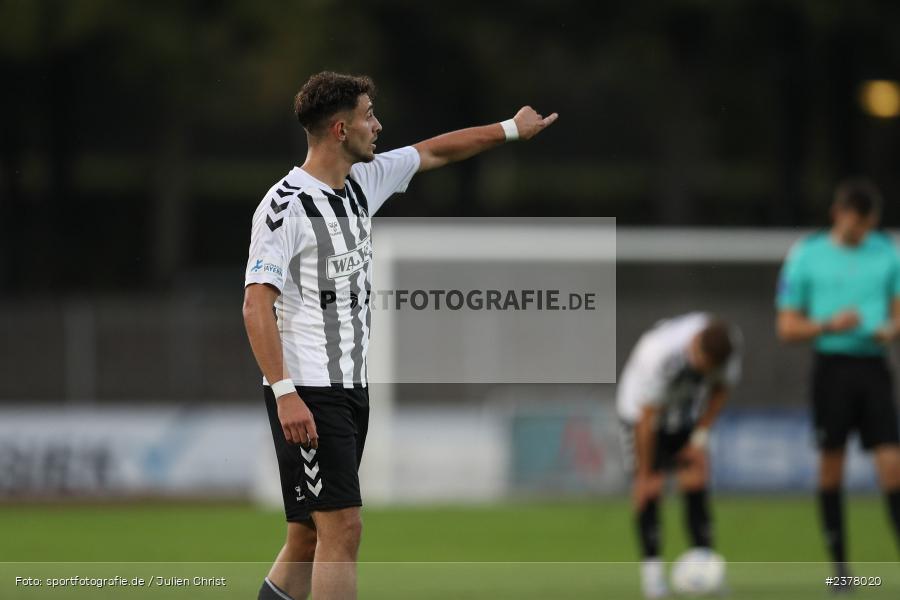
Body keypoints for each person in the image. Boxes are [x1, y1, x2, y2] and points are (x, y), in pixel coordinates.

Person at [242, 71, 557, 600]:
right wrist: (284, 392)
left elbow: (435, 152)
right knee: (343, 530)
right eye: (369, 115)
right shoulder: (285, 207)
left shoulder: (364, 181)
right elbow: (256, 306)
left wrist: (509, 129)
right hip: (310, 394)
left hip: (349, 390)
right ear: (341, 129)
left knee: (305, 537)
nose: (378, 125)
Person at [776, 178, 900, 583]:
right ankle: (841, 572)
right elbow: (787, 327)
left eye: (866, 226)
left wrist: (891, 329)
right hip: (831, 368)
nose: (860, 233)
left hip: (874, 367)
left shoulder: (887, 252)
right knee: (832, 468)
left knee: (892, 465)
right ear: (837, 216)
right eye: (854, 226)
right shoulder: (806, 255)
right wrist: (830, 323)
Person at [617, 312, 741, 599]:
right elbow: (647, 418)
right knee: (650, 489)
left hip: (684, 407)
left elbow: (721, 389)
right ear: (694, 346)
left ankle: (706, 571)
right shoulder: (659, 355)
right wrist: (645, 471)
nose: (705, 371)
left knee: (695, 477)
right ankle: (653, 580)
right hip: (639, 411)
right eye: (702, 365)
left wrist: (699, 437)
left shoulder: (727, 346)